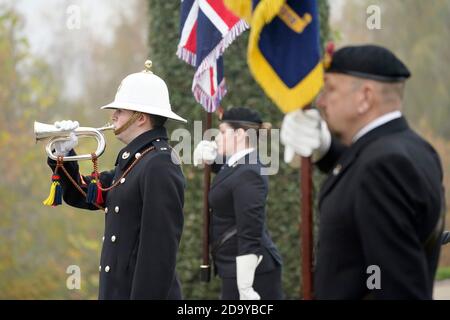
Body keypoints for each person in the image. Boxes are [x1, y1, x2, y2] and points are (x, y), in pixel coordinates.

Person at [281, 45, 445, 299]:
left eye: (330, 88)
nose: (321, 101)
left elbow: (396, 289)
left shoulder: (383, 167)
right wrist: (325, 148)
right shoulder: (410, 148)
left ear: (365, 97)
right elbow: (358, 170)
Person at [47, 61, 186, 299]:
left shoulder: (159, 164)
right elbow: (85, 194)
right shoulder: (136, 161)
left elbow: (158, 255)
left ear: (140, 118)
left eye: (120, 111)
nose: (113, 116)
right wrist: (64, 155)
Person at [193, 107, 283, 300]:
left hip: (253, 274)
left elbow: (250, 228)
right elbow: (229, 178)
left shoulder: (249, 172)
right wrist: (210, 160)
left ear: (240, 134)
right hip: (233, 267)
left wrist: (245, 285)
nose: (217, 138)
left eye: (223, 132)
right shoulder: (238, 165)